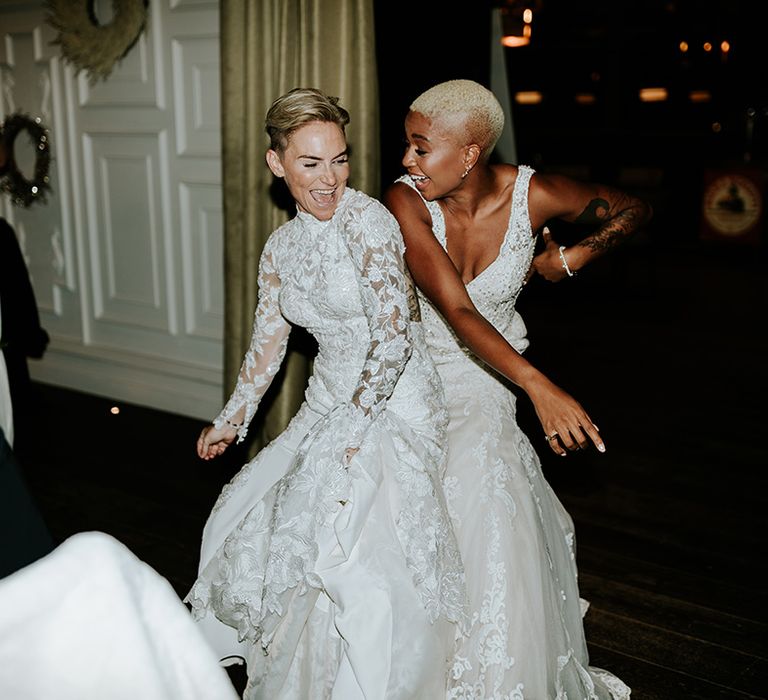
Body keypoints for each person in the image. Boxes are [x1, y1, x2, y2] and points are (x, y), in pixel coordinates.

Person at [185, 88, 466, 700]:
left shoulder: (367, 222)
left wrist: (354, 427)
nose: (330, 178)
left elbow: (393, 339)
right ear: (276, 163)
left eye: (339, 159)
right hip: (327, 399)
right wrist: (231, 420)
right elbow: (267, 342)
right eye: (311, 163)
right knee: (243, 514)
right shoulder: (281, 248)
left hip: (393, 400)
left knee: (351, 550)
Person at [384, 79, 652, 699]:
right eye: (407, 146)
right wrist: (541, 386)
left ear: (470, 154)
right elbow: (457, 311)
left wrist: (575, 258)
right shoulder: (406, 201)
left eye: (421, 148)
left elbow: (633, 208)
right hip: (414, 377)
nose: (406, 161)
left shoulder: (537, 194)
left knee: (488, 502)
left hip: (487, 383)